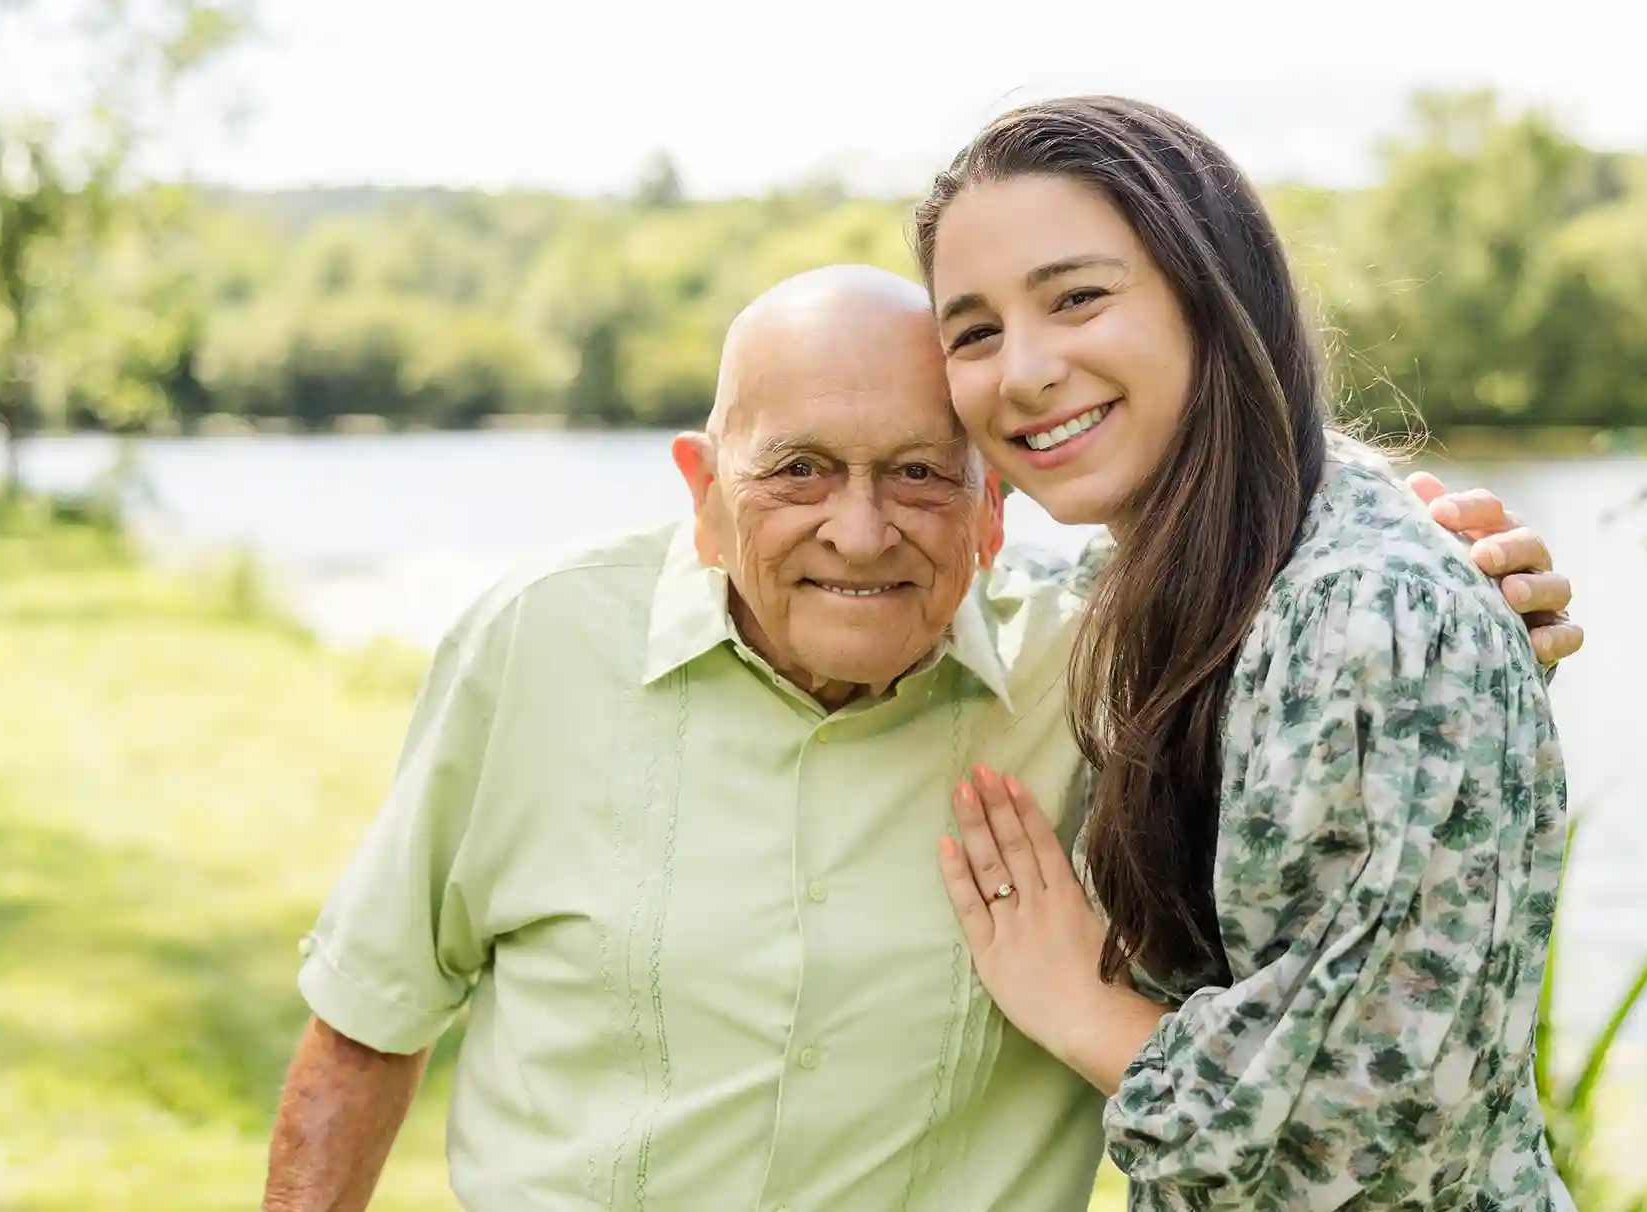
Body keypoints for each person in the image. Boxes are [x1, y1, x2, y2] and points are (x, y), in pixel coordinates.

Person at [260, 267, 1578, 1212]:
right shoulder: (539, 644)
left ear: (993, 505)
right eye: (796, 471)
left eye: (918, 473)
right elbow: (372, 1020)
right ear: (700, 491)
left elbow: (1325, 617)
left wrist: (1464, 581)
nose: (859, 530)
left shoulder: (1109, 676)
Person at [919, 96, 1575, 1210]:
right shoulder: (1167, 585)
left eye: (1077, 297)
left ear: (1211, 298)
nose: (1022, 371)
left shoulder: (1369, 612)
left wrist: (1074, 1002)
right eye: (973, 331)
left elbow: (1351, 1137)